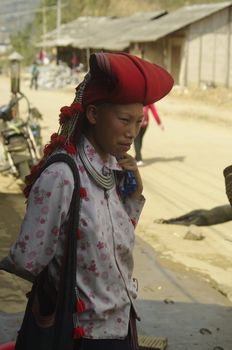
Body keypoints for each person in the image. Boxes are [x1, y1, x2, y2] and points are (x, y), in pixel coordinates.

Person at [3, 52, 173, 349]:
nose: (132, 133)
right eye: (124, 120)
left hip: (122, 324)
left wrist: (134, 196)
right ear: (93, 114)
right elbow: (28, 259)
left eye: (138, 122)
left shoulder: (114, 167)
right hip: (81, 335)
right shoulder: (62, 176)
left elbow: (117, 242)